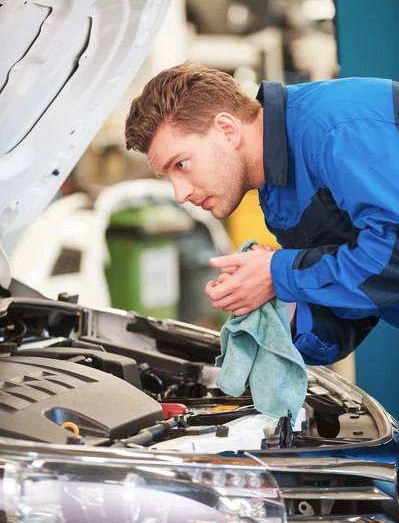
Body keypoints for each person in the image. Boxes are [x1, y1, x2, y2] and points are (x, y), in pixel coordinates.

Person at [125, 61, 399, 365]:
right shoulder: (276, 191)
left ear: (227, 130)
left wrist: (278, 272)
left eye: (181, 165)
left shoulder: (336, 126)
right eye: (168, 178)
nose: (180, 194)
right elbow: (353, 312)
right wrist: (280, 306)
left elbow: (395, 260)